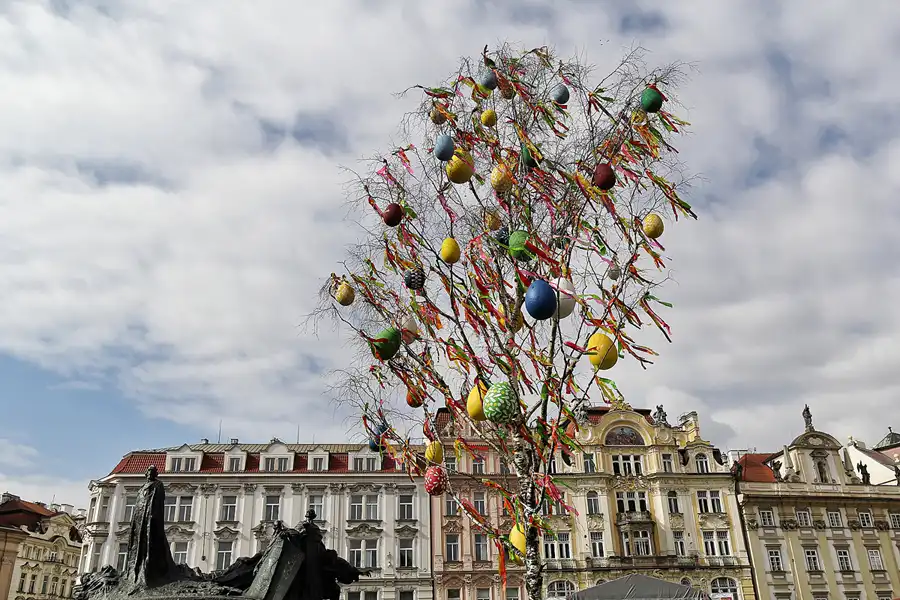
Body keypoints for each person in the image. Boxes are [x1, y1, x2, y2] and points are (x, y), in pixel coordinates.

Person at [124, 465, 179, 589]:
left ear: (156, 474)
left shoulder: (158, 485)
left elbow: (158, 502)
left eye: (153, 472)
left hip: (150, 518)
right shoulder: (141, 488)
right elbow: (138, 504)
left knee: (150, 543)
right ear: (145, 473)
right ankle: (135, 570)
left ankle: (149, 570)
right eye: (149, 471)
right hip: (139, 518)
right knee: (137, 544)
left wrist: (153, 516)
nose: (150, 473)